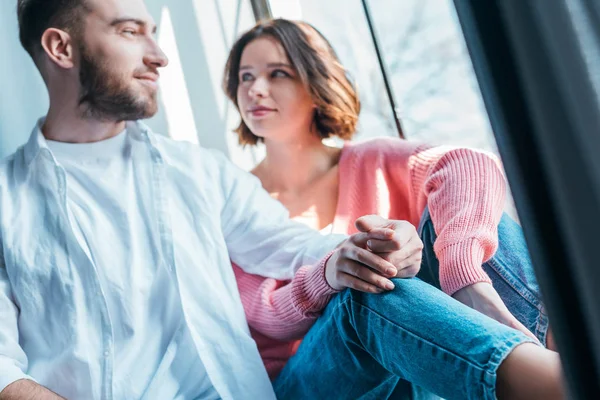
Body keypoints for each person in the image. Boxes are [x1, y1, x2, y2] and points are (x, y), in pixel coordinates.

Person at [0, 1, 423, 399]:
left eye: (155, 33)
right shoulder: (6, 200)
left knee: (376, 288)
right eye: (130, 32)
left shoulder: (199, 169)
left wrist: (375, 245)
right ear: (61, 47)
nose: (159, 56)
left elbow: (285, 243)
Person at [223, 19, 563, 399]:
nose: (255, 89)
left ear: (315, 84)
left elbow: (469, 164)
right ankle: (554, 382)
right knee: (363, 288)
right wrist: (330, 275)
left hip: (420, 360)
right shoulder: (233, 197)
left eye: (278, 73)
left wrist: (464, 276)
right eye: (245, 76)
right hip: (312, 379)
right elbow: (266, 312)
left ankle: (554, 348)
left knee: (462, 218)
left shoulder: (374, 160)